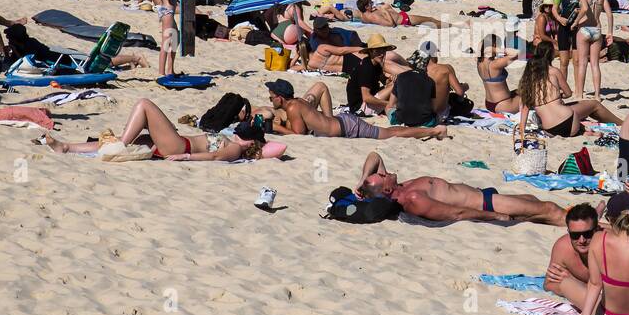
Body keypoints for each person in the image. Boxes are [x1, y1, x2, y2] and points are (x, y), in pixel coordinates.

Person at [357, 150, 567, 226]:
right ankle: (594, 226)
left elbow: (374, 156)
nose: (384, 172)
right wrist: (493, 215)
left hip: (482, 194)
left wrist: (362, 182)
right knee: (547, 208)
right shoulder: (413, 198)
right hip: (485, 203)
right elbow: (456, 213)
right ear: (386, 191)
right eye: (382, 175)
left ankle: (568, 219)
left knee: (532, 200)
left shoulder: (400, 186)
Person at [43, 98, 277, 161]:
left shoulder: (235, 149)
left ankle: (121, 143)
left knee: (145, 105)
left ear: (249, 142)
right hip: (174, 142)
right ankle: (66, 147)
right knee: (133, 137)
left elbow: (214, 156)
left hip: (178, 146)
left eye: (242, 134)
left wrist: (184, 156)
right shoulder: (234, 141)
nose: (237, 134)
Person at [265, 78, 445, 140]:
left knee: (391, 134)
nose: (270, 98)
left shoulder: (293, 107)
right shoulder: (298, 102)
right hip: (343, 121)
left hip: (347, 127)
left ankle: (433, 131)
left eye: (272, 95)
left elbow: (298, 134)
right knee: (390, 132)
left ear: (280, 97)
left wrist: (275, 128)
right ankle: (429, 130)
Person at [516, 42, 622, 138]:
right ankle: (621, 123)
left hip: (550, 131)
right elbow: (568, 93)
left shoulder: (527, 82)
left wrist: (521, 130)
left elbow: (524, 110)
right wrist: (558, 95)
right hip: (569, 124)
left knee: (566, 108)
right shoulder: (554, 71)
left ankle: (583, 132)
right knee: (594, 104)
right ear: (551, 55)